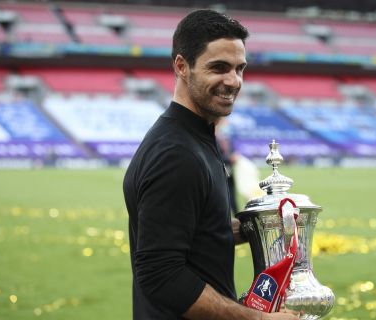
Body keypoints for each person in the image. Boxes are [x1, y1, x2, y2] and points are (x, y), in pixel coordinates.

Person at [123, 9, 298, 320]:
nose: (233, 81)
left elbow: (193, 233)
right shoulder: (176, 154)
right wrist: (257, 319)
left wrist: (257, 224)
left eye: (240, 69)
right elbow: (161, 274)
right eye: (218, 68)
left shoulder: (196, 137)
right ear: (181, 66)